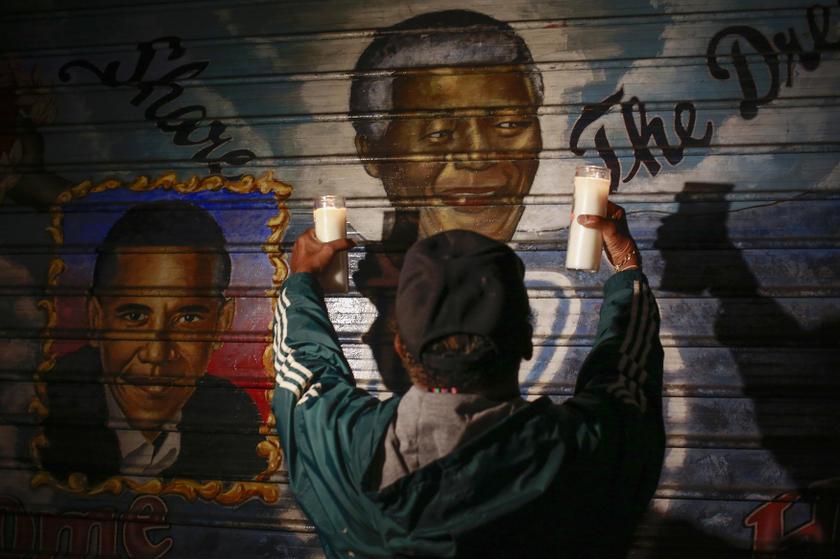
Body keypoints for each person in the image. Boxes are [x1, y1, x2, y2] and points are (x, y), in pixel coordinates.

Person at [273, 203, 665, 557]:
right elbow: (627, 373)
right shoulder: (585, 455)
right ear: (527, 341)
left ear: (400, 346)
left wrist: (302, 277)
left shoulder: (340, 446)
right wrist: (627, 267)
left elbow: (304, 366)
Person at [39, 200, 265, 483]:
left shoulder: (236, 421)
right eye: (134, 315)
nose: (157, 353)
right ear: (97, 318)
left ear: (221, 323)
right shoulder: (42, 408)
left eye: (188, 318)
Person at [350, 9, 543, 243]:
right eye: (439, 132)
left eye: (509, 124)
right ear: (371, 154)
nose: (477, 156)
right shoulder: (348, 273)